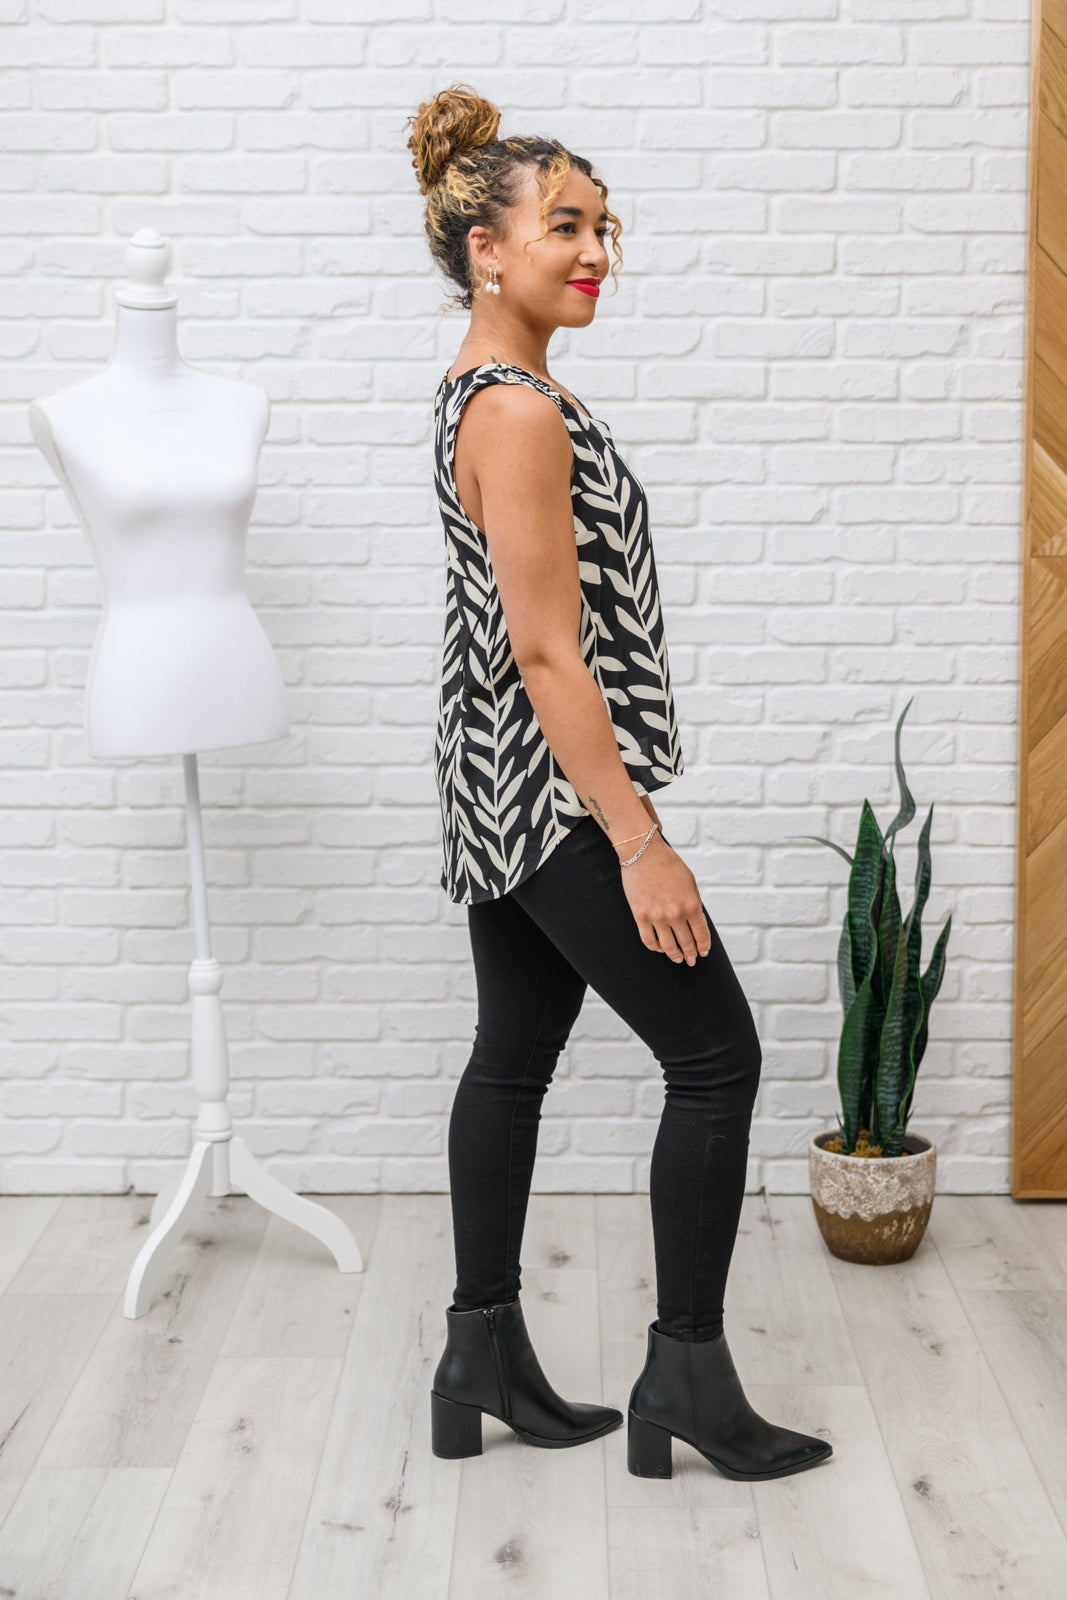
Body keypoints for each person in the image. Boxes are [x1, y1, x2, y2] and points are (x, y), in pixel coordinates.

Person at [406, 84, 833, 1483]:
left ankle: (480, 1354)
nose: (599, 251)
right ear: (487, 248)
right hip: (550, 797)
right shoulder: (518, 411)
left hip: (493, 785)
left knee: (512, 1056)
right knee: (717, 1058)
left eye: (606, 227)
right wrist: (641, 842)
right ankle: (687, 1379)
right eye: (568, 226)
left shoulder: (484, 393)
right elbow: (546, 648)